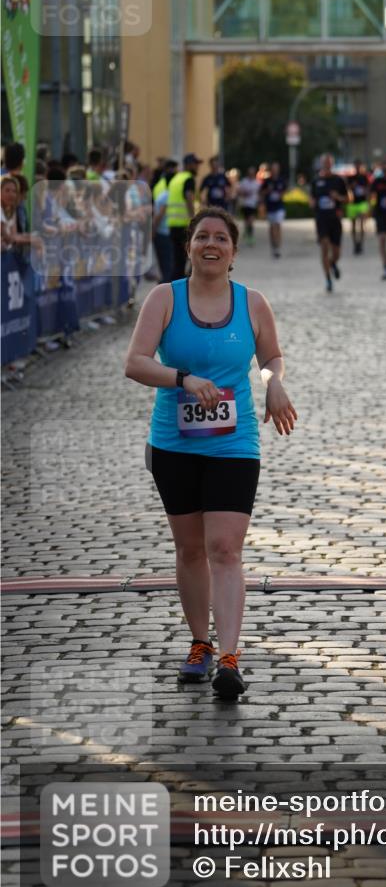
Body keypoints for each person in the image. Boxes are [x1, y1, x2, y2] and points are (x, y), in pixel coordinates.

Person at [124, 207, 297, 699]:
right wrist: (183, 379)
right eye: (202, 236)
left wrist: (273, 384)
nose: (211, 244)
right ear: (190, 248)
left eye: (220, 237)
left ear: (234, 252)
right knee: (191, 548)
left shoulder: (252, 303)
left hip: (234, 442)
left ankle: (229, 657)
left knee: (225, 549)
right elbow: (134, 363)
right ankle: (200, 642)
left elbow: (271, 357)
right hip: (173, 444)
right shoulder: (164, 299)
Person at [310, 154, 348, 292]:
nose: (326, 165)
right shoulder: (316, 181)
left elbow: (348, 198)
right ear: (321, 164)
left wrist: (337, 197)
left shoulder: (338, 180)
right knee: (324, 247)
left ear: (332, 164)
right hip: (321, 219)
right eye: (324, 163)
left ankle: (333, 264)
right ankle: (328, 279)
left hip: (335, 219)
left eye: (328, 163)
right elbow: (312, 199)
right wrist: (312, 203)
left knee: (336, 252)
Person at [167, 153, 202, 280]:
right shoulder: (188, 179)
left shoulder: (176, 178)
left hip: (173, 224)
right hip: (184, 226)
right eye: (195, 164)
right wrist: (195, 221)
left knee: (178, 262)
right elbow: (189, 199)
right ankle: (181, 290)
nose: (197, 167)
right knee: (192, 261)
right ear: (188, 165)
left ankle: (172, 289)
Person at [260, 161, 288, 259]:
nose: (275, 171)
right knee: (272, 227)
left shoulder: (281, 180)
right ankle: (273, 246)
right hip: (270, 207)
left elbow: (285, 190)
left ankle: (278, 248)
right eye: (273, 169)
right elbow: (261, 193)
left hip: (279, 206)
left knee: (278, 225)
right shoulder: (267, 181)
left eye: (276, 169)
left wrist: (281, 194)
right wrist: (267, 191)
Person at [346, 160, 370, 255]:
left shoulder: (364, 178)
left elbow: (368, 190)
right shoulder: (350, 178)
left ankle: (361, 243)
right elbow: (346, 189)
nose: (357, 167)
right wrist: (352, 186)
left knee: (362, 224)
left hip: (362, 203)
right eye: (356, 165)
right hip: (353, 204)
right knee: (353, 225)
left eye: (359, 165)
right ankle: (355, 243)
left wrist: (368, 202)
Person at [238, 166, 261, 245]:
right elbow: (239, 192)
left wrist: (259, 201)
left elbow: (259, 193)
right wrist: (244, 193)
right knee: (246, 221)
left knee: (251, 221)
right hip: (245, 204)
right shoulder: (244, 181)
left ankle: (250, 236)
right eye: (250, 173)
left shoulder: (257, 183)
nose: (251, 174)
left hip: (253, 204)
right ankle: (247, 231)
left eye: (252, 173)